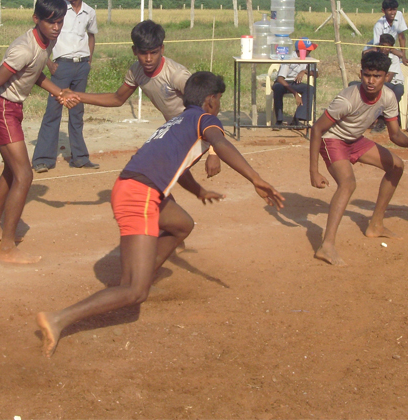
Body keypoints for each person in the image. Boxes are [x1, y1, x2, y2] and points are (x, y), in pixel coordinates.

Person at [36, 71, 284, 357]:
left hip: (133, 186)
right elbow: (222, 144)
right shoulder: (206, 119)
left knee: (182, 224)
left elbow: (177, 165)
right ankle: (58, 319)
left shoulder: (179, 120)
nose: (218, 106)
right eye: (218, 100)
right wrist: (255, 178)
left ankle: (137, 275)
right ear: (211, 100)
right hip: (140, 194)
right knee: (135, 293)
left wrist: (198, 191)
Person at [309, 51, 408, 266]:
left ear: (386, 77)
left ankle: (376, 225)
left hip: (355, 140)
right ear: (361, 74)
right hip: (333, 140)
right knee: (347, 184)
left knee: (397, 166)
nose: (371, 81)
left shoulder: (389, 97)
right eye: (367, 75)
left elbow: (396, 135)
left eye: (377, 76)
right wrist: (313, 171)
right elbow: (317, 129)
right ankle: (327, 246)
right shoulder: (347, 98)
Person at [0, 0, 72, 263]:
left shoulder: (47, 41)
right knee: (24, 175)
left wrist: (58, 93)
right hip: (3, 109)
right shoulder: (23, 48)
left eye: (60, 21)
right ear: (36, 19)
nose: (56, 27)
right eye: (51, 22)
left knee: (12, 171)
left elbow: (35, 72)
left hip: (13, 110)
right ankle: (7, 247)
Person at [63, 20, 221, 176]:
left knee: (156, 175)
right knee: (150, 172)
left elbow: (210, 104)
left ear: (162, 49)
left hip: (198, 134)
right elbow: (117, 99)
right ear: (134, 50)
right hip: (175, 132)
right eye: (143, 53)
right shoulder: (136, 71)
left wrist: (214, 152)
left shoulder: (177, 75)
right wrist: (77, 95)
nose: (149, 59)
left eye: (154, 52)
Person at [31, 0, 98, 173]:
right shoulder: (59, 10)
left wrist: (89, 60)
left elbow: (91, 36)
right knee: (53, 111)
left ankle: (80, 157)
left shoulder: (90, 12)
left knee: (77, 112)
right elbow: (42, 33)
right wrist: (48, 62)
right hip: (62, 65)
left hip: (81, 65)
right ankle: (43, 159)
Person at [272, 52, 317, 129]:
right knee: (277, 88)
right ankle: (279, 121)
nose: (309, 52)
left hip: (294, 82)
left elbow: (316, 73)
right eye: (307, 50)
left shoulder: (308, 57)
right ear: (300, 50)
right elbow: (280, 79)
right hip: (282, 82)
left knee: (310, 89)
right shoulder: (290, 57)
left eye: (309, 50)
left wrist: (304, 71)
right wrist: (295, 93)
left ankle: (297, 119)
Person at [366, 0, 408, 65]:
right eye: (390, 10)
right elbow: (378, 47)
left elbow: (401, 37)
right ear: (383, 11)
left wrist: (403, 56)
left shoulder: (399, 15)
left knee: (396, 60)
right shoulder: (378, 26)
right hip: (378, 50)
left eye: (394, 9)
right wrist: (394, 51)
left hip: (390, 48)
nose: (393, 13)